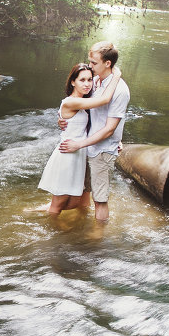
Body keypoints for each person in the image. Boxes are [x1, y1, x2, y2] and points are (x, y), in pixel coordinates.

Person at [58, 41, 130, 222]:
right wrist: (63, 119)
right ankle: (81, 226)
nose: (90, 66)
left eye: (94, 63)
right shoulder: (95, 82)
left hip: (101, 151)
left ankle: (97, 242)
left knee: (100, 199)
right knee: (82, 194)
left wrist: (114, 139)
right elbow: (83, 110)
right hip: (87, 148)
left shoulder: (120, 90)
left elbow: (109, 128)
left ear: (108, 64)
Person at [36, 62, 119, 215]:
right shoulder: (72, 102)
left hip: (79, 154)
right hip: (68, 154)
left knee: (74, 201)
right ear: (73, 82)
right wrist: (117, 76)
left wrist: (116, 139)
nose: (87, 84)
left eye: (89, 80)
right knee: (59, 202)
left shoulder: (84, 103)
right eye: (82, 80)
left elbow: (96, 121)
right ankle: (51, 233)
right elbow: (105, 99)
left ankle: (41, 211)